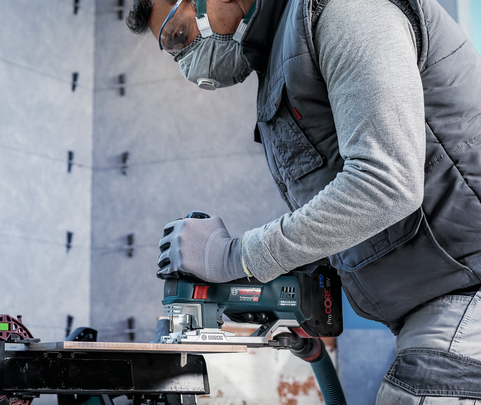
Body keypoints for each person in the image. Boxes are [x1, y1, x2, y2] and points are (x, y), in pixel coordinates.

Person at [126, 0, 481, 402]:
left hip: (467, 296)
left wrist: (236, 257)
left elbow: (386, 184)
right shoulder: (282, 49)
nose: (187, 62)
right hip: (433, 308)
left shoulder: (346, 10)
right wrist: (283, 287)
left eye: (179, 35)